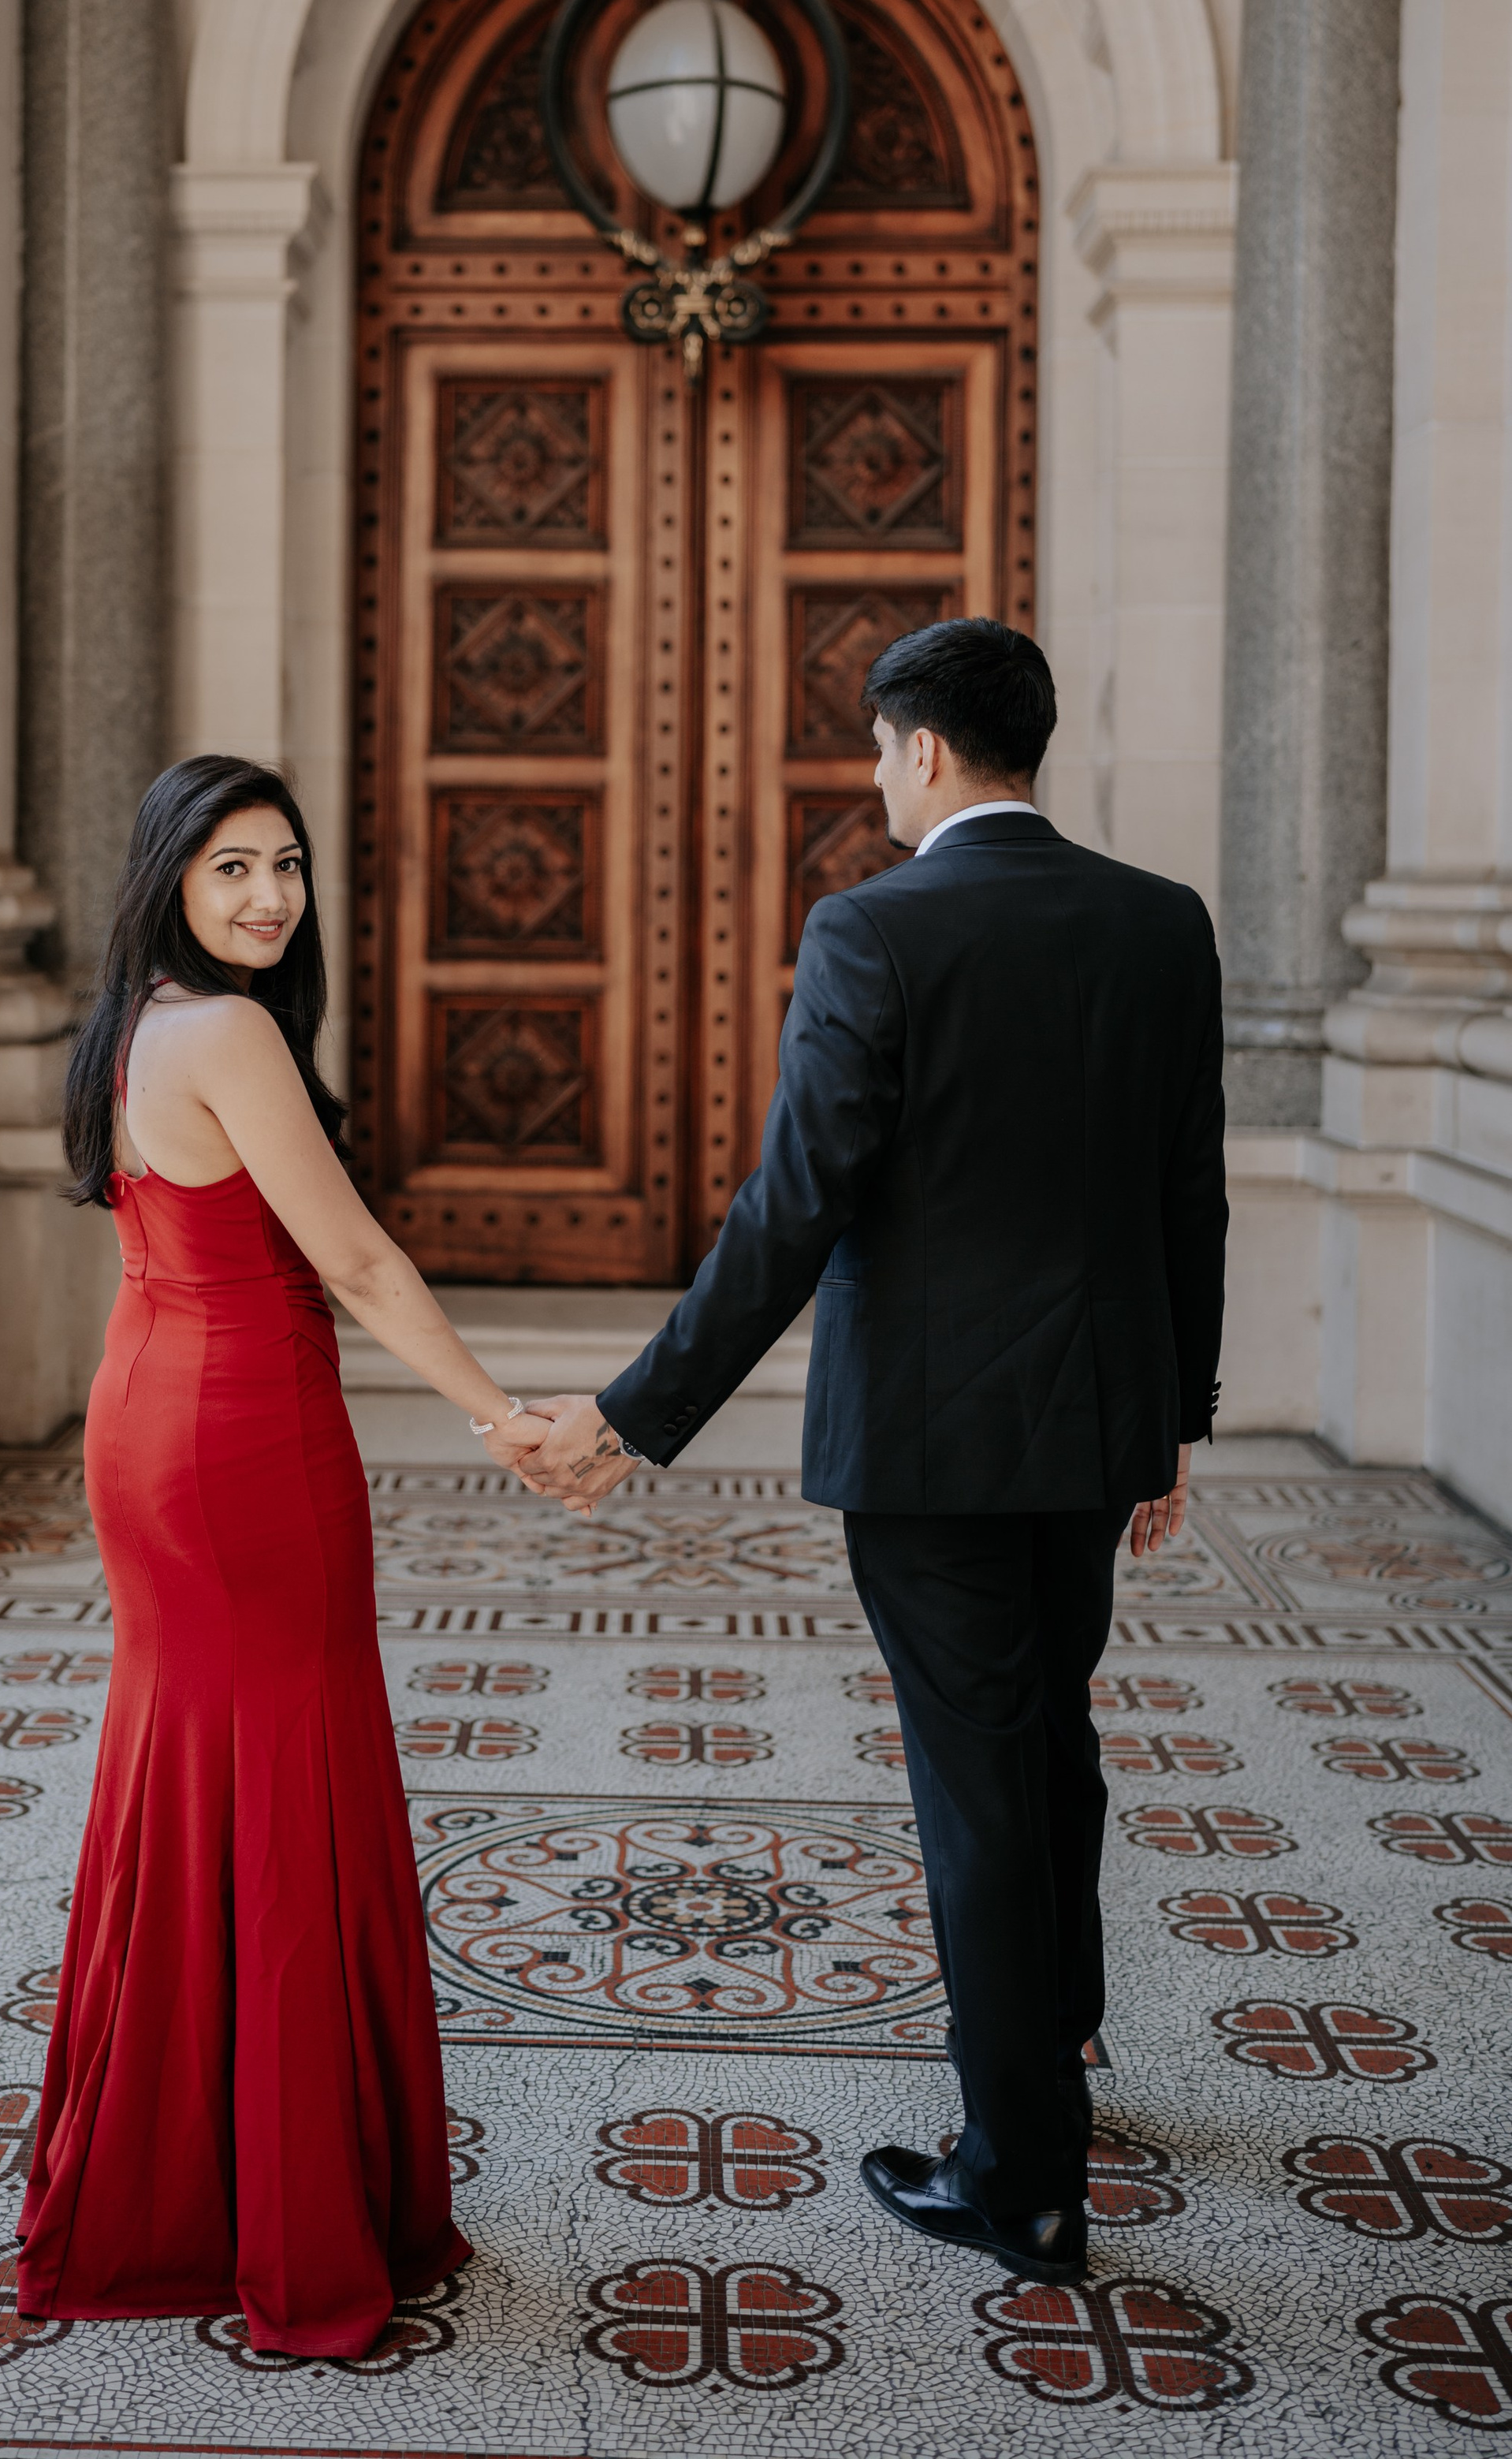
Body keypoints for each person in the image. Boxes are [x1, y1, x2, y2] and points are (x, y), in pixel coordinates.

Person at [516, 618, 1226, 2286]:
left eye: (874, 755)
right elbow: (1179, 1190)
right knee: (1045, 1739)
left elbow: (791, 1205)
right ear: (1026, 745)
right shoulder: (1157, 922)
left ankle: (1020, 2184)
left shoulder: (870, 928)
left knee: (976, 1786)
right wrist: (1170, 1422)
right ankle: (1052, 2049)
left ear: (913, 751)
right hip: (1095, 1419)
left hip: (928, 1448)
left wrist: (629, 1415)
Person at [17, 754, 553, 2354]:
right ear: (168, 878)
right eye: (230, 866)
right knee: (283, 1786)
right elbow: (359, 1260)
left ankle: (173, 2185)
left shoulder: (133, 1021)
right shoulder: (227, 1029)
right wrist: (502, 1418)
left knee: (197, 1782)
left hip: (155, 1418)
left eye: (287, 866)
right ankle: (282, 2217)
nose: (266, 895)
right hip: (238, 1441)